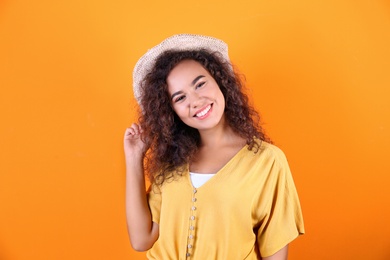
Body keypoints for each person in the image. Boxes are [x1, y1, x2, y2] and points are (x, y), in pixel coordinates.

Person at [124, 34, 304, 260]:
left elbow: (274, 251)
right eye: (180, 98)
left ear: (220, 81)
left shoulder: (267, 161)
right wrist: (134, 158)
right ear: (171, 112)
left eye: (200, 84)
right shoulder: (171, 163)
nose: (195, 101)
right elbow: (141, 240)